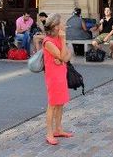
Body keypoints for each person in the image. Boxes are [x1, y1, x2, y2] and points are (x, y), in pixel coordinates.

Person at [42, 13, 72, 146]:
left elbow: (67, 57)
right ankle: (49, 133)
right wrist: (64, 41)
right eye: (62, 23)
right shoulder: (48, 41)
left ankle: (58, 129)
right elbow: (62, 55)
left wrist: (62, 57)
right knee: (52, 104)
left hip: (61, 72)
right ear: (55, 26)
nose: (64, 25)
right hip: (53, 75)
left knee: (60, 103)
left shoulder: (58, 38)